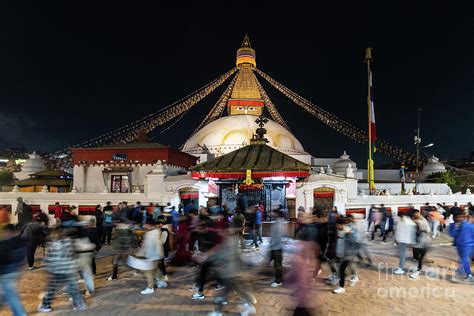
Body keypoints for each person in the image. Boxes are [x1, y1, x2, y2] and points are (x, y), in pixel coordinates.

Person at [37, 222, 87, 312]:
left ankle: (46, 305)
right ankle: (79, 304)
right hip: (69, 268)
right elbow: (74, 254)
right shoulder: (69, 241)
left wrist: (46, 267)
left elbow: (50, 257)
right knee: (73, 287)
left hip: (57, 270)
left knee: (52, 288)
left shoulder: (53, 244)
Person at [0, 224, 27, 316]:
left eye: (4, 232)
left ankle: (20, 314)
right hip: (15, 271)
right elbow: (24, 258)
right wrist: (21, 270)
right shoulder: (21, 241)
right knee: (5, 294)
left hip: (6, 272)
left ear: (8, 231)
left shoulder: (5, 243)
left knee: (11, 296)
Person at [137, 219, 166, 294]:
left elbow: (147, 246)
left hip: (152, 255)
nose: (144, 226)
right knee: (155, 269)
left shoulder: (151, 234)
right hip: (156, 255)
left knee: (148, 272)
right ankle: (161, 282)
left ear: (150, 225)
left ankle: (150, 287)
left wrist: (142, 254)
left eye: (145, 224)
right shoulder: (156, 232)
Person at [333, 216, 359, 294]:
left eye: (337, 225)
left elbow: (353, 243)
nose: (336, 226)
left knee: (341, 270)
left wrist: (347, 255)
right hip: (342, 254)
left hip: (347, 255)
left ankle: (341, 287)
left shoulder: (348, 232)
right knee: (345, 269)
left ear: (341, 224)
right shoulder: (340, 231)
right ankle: (354, 277)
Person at [449, 212, 474, 281]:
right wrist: (454, 226)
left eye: (463, 217)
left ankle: (465, 273)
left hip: (469, 245)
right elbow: (453, 234)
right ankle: (468, 275)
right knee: (464, 260)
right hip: (460, 245)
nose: (461, 218)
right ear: (454, 218)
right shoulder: (454, 225)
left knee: (463, 260)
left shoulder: (469, 225)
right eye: (459, 217)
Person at [409, 209, 431, 279]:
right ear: (413, 215)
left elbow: (427, 229)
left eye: (417, 213)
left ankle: (418, 270)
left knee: (421, 257)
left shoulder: (423, 219)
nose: (417, 215)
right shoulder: (412, 221)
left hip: (425, 240)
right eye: (415, 214)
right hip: (417, 241)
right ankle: (417, 268)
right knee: (416, 257)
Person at [269, 211, 284, 287]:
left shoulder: (279, 224)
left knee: (278, 265)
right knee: (276, 264)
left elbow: (278, 236)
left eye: (274, 213)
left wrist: (273, 243)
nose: (272, 213)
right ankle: (277, 279)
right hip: (274, 247)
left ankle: (279, 281)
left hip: (277, 247)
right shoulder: (277, 223)